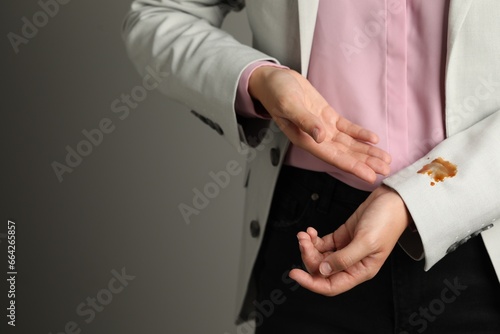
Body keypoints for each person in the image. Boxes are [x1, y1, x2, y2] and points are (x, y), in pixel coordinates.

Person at [122, 0, 500, 332]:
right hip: (313, 235)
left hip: (484, 230)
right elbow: (160, 14)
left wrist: (413, 201)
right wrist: (257, 79)